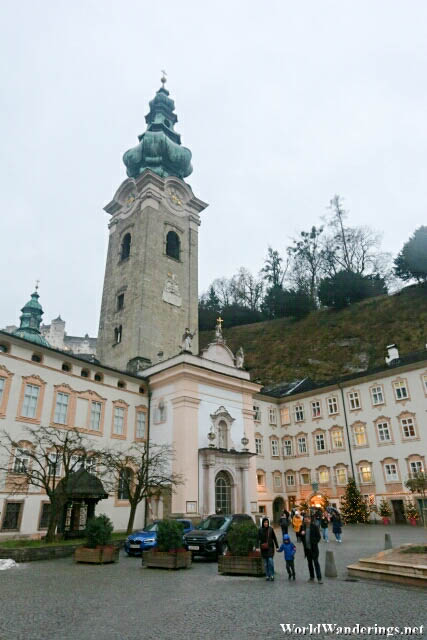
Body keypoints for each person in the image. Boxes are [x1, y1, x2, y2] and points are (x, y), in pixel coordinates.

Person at [300, 515, 323, 584]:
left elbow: (318, 537)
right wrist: (301, 534)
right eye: (305, 520)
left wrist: (314, 542)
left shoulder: (314, 527)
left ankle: (319, 578)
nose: (306, 521)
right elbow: (300, 537)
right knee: (309, 564)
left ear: (310, 520)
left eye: (307, 519)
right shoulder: (303, 527)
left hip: (314, 549)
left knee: (316, 563)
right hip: (307, 549)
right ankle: (311, 577)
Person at [258, 517, 279, 581]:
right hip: (263, 548)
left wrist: (277, 546)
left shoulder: (271, 529)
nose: (266, 523)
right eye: (265, 522)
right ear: (263, 523)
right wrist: (257, 547)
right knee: (265, 563)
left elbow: (274, 538)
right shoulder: (260, 530)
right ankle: (267, 575)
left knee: (270, 561)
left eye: (267, 522)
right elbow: (258, 538)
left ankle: (272, 575)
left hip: (270, 548)